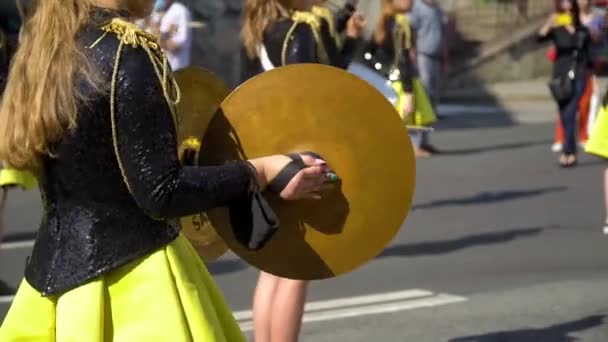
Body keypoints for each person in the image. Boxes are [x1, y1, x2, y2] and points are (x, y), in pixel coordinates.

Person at [0, 0, 335, 340]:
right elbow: (162, 192)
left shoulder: (46, 50)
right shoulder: (128, 52)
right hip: (136, 286)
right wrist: (260, 171)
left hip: (51, 291)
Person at [240, 1, 363, 341]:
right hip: (299, 155)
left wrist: (345, 36)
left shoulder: (261, 30)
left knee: (273, 265)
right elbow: (312, 92)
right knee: (297, 266)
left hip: (267, 151)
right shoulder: (300, 30)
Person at [539, 0, 594, 168]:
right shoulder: (557, 29)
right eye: (564, 8)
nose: (567, 12)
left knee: (570, 112)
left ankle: (567, 152)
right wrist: (550, 22)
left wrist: (575, 27)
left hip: (578, 74)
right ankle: (570, 150)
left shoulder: (582, 29)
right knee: (564, 114)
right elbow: (539, 38)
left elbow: (587, 51)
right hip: (560, 76)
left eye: (571, 8)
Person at [406, 0, 446, 156]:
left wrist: (444, 56)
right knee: (422, 100)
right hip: (422, 57)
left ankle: (425, 141)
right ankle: (415, 144)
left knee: (432, 102)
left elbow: (442, 34)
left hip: (436, 57)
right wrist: (411, 53)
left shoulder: (437, 10)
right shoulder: (417, 7)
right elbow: (410, 31)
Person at [155, 0, 192, 71]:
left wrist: (161, 41)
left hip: (176, 68)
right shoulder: (163, 12)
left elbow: (179, 44)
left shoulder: (181, 11)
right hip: (163, 68)